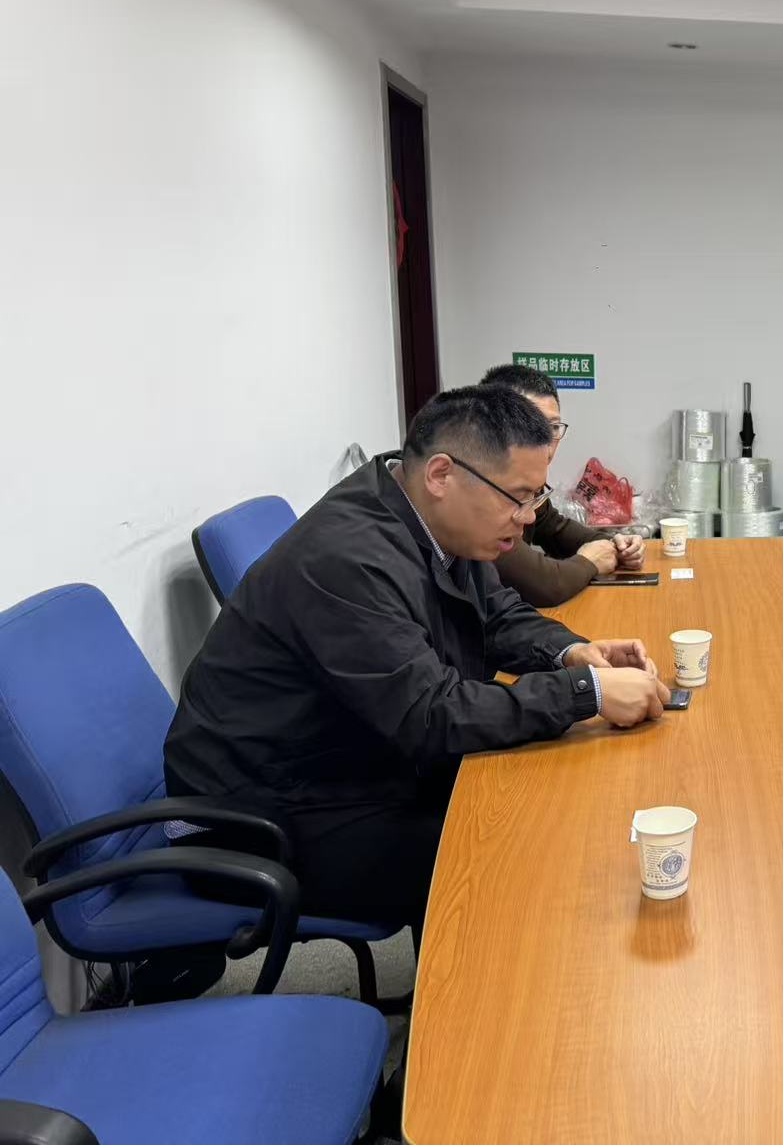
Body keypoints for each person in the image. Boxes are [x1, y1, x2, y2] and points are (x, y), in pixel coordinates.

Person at [164, 384, 673, 933]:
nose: (528, 519)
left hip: (348, 760)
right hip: (256, 817)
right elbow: (431, 715)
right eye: (517, 497)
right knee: (505, 855)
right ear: (441, 474)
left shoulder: (435, 517)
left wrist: (571, 653)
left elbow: (495, 614)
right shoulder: (346, 559)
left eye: (535, 497)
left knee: (535, 797)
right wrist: (586, 694)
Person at [480, 362, 645, 607]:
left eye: (554, 427)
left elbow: (556, 530)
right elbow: (546, 585)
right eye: (531, 426)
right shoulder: (479, 491)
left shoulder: (531, 485)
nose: (546, 442)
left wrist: (617, 544)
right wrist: (590, 561)